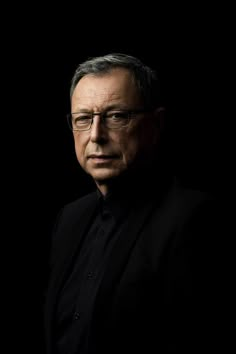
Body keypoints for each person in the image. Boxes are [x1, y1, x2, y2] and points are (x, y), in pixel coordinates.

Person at [44, 53, 221, 354]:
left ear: (156, 124)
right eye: (84, 119)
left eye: (116, 116)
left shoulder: (193, 219)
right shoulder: (69, 218)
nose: (96, 136)